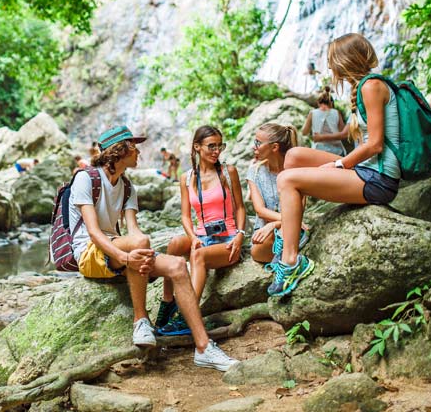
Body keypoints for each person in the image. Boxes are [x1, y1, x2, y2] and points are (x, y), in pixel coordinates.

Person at [70, 125, 237, 371]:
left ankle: (204, 347)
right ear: (120, 150)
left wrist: (136, 255)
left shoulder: (127, 187)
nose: (138, 153)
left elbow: (134, 230)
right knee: (140, 245)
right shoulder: (86, 178)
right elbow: (93, 232)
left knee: (178, 265)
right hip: (88, 252)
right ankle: (141, 320)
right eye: (134, 148)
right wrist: (126, 257)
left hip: (117, 251)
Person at [271, 33, 401, 297]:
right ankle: (294, 232)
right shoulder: (366, 85)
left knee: (286, 180)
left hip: (379, 180)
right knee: (294, 156)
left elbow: (375, 144)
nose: (330, 68)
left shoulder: (371, 86)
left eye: (332, 61)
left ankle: (291, 262)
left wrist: (340, 165)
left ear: (345, 60)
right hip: (367, 170)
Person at [157, 126, 247, 336]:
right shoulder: (186, 178)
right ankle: (168, 302)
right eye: (211, 146)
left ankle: (188, 317)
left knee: (197, 255)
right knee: (175, 245)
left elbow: (241, 208)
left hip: (228, 238)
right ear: (197, 147)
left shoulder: (228, 171)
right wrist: (193, 237)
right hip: (202, 237)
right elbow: (186, 216)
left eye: (219, 146)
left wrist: (240, 235)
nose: (217, 151)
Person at [247, 123, 309, 265]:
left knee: (282, 235)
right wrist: (277, 224)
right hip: (264, 234)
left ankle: (287, 259)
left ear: (274, 147)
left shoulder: (296, 171)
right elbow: (260, 210)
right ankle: (287, 256)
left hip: (290, 229)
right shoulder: (254, 172)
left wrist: (275, 224)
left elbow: (300, 208)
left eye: (258, 142)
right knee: (257, 250)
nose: (253, 146)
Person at [301, 86, 346, 156]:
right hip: (337, 151)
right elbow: (343, 132)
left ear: (318, 102)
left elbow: (304, 132)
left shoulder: (313, 113)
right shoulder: (336, 112)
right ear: (331, 103)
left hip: (319, 151)